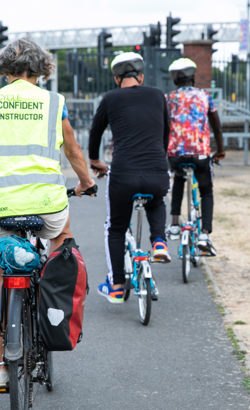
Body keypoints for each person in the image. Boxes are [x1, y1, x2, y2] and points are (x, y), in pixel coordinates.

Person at [0, 37, 95, 390]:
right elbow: (72, 148)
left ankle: (1, 369)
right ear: (41, 69)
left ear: (3, 68)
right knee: (61, 244)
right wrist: (85, 182)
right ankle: (54, 304)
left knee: (0, 281)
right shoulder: (54, 102)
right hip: (48, 204)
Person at [88, 53, 172, 304]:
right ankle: (159, 242)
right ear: (142, 76)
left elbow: (95, 131)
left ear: (116, 78)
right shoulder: (158, 95)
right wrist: (159, 158)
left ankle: (115, 285)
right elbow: (166, 131)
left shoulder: (110, 98)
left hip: (123, 174)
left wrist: (95, 161)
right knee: (157, 201)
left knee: (114, 228)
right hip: (157, 169)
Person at [164, 58, 225, 256]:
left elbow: (163, 127)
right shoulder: (205, 96)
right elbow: (216, 125)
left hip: (175, 155)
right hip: (200, 154)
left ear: (174, 80)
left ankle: (174, 224)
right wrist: (220, 149)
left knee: (179, 178)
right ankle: (205, 234)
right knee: (206, 190)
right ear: (193, 77)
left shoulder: (168, 98)